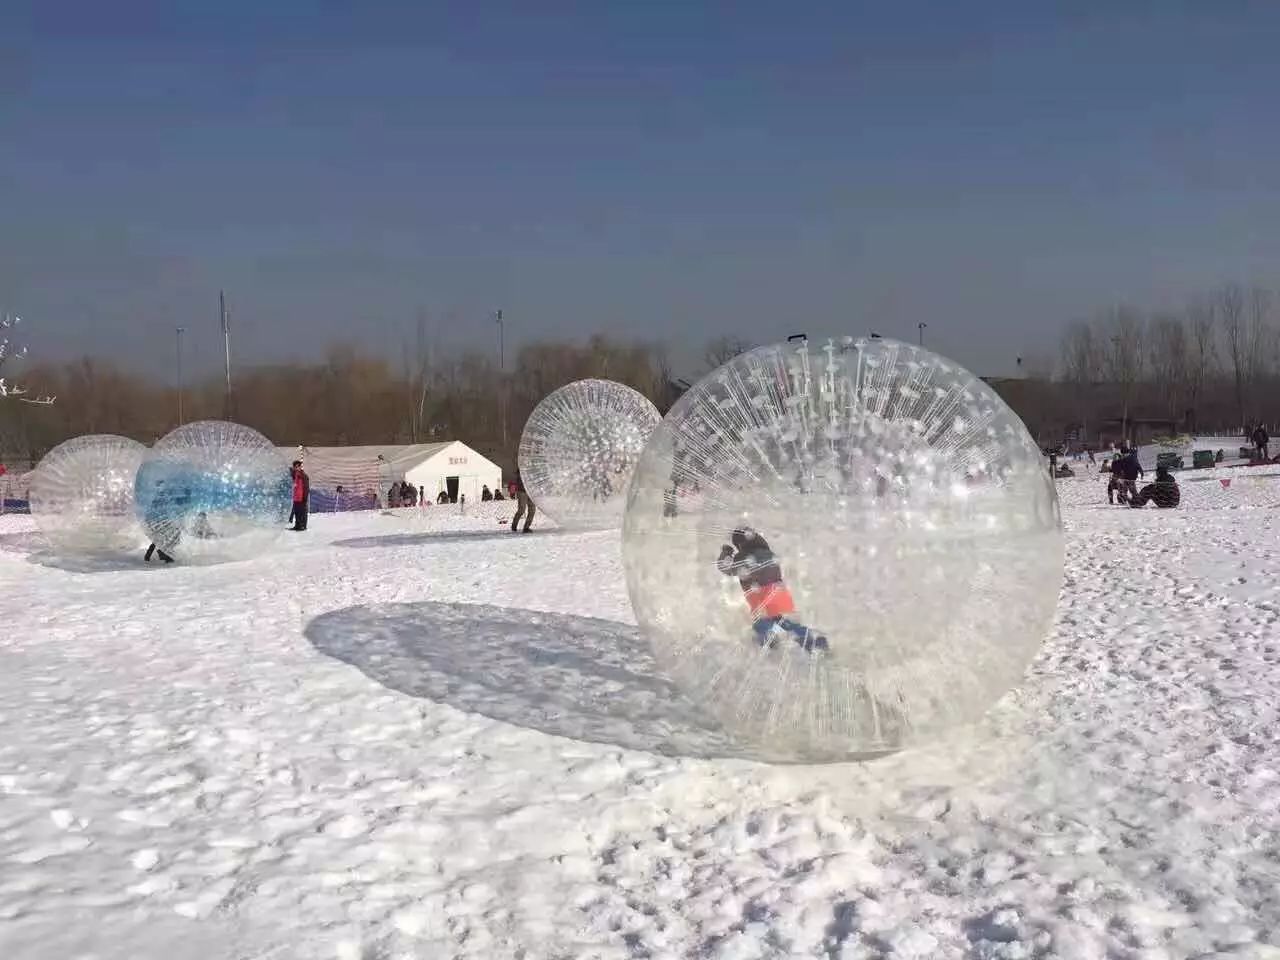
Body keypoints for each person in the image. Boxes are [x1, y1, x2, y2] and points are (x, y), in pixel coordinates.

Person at [716, 527, 828, 653]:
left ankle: (770, 644)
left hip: (761, 595)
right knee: (784, 622)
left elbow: (727, 568)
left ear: (741, 544)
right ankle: (812, 641)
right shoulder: (768, 553)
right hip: (778, 591)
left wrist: (726, 552)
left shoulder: (744, 556)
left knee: (761, 624)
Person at [289, 460, 309, 531]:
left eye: (298, 466)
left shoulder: (303, 476)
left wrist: (305, 497)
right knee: (297, 512)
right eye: (295, 466)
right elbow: (291, 474)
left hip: (302, 497)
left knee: (302, 512)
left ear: (300, 467)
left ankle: (302, 526)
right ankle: (297, 525)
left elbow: (306, 487)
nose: (297, 468)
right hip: (296, 497)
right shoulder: (295, 475)